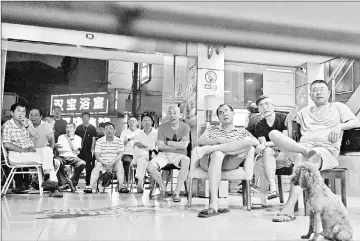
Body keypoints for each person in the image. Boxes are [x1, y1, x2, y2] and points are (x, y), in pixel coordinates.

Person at [270, 80, 360, 222]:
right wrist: (298, 105)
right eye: (315, 90)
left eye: (322, 89)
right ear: (311, 95)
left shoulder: (338, 107)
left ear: (329, 93)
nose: (319, 92)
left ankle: (289, 207)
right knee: (273, 134)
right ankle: (305, 150)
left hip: (325, 151)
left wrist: (340, 126)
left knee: (303, 159)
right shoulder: (305, 111)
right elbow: (288, 121)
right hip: (303, 147)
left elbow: (356, 122)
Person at [193, 104, 259, 218]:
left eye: (226, 111)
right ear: (218, 117)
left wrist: (229, 147)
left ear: (233, 113)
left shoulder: (241, 131)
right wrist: (217, 140)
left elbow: (255, 142)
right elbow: (200, 141)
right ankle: (214, 204)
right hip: (209, 161)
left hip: (230, 162)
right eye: (221, 113)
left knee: (248, 142)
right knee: (218, 154)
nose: (224, 114)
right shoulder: (212, 129)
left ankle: (217, 149)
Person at [2, 103, 62, 197]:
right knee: (48, 158)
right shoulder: (7, 125)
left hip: (30, 153)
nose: (21, 113)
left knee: (47, 150)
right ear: (12, 113)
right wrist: (23, 150)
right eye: (18, 111)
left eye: (23, 111)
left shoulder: (27, 122)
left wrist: (27, 126)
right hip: (16, 155)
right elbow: (7, 144)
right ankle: (53, 188)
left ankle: (47, 177)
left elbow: (37, 136)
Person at [253, 96, 292, 208]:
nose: (265, 107)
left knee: (263, 160)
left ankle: (263, 199)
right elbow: (263, 146)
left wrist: (268, 144)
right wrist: (268, 145)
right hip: (270, 157)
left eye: (267, 104)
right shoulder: (259, 125)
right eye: (261, 106)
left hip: (285, 157)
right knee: (265, 156)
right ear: (259, 110)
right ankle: (273, 189)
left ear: (273, 106)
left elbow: (285, 142)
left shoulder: (283, 118)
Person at [147, 106, 191, 202]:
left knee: (186, 160)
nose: (172, 115)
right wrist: (177, 146)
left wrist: (170, 143)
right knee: (151, 166)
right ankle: (163, 188)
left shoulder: (185, 127)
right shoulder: (162, 127)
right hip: (164, 155)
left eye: (175, 113)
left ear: (180, 115)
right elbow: (160, 146)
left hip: (180, 155)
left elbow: (184, 146)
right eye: (170, 113)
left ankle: (176, 192)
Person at [84, 122, 126, 193]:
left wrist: (112, 163)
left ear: (114, 131)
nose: (109, 131)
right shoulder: (99, 141)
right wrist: (105, 164)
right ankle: (90, 187)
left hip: (115, 163)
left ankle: (121, 186)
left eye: (111, 129)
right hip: (102, 162)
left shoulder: (119, 141)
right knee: (97, 165)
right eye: (106, 129)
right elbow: (97, 156)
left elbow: (120, 154)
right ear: (104, 131)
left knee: (119, 165)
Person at [131, 114, 158, 193]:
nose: (146, 122)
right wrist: (148, 148)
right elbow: (136, 146)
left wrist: (145, 147)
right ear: (141, 123)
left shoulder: (156, 133)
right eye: (144, 120)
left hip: (152, 156)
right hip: (141, 155)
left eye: (148, 120)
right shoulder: (138, 133)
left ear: (152, 122)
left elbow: (157, 146)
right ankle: (143, 180)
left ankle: (140, 181)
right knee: (141, 155)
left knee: (142, 160)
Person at [56, 123, 86, 191]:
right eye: (67, 127)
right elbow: (60, 149)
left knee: (82, 163)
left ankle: (72, 181)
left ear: (75, 129)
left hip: (73, 157)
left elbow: (75, 150)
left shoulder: (78, 138)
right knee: (57, 162)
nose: (68, 129)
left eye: (70, 128)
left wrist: (71, 138)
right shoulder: (61, 137)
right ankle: (64, 183)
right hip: (62, 156)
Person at [75, 112, 97, 192]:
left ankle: (88, 182)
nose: (85, 118)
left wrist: (92, 148)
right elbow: (75, 137)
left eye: (87, 117)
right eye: (84, 117)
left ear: (89, 118)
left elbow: (94, 139)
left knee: (88, 167)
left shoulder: (92, 128)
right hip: (80, 150)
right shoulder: (78, 128)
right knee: (78, 166)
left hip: (88, 150)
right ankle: (75, 182)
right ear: (81, 118)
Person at [120, 116, 139, 185]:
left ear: (137, 123)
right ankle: (127, 182)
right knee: (127, 163)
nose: (132, 122)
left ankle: (138, 181)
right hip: (127, 153)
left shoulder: (140, 132)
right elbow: (120, 144)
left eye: (134, 121)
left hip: (138, 153)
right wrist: (129, 139)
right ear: (128, 123)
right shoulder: (124, 132)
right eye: (130, 121)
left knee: (141, 163)